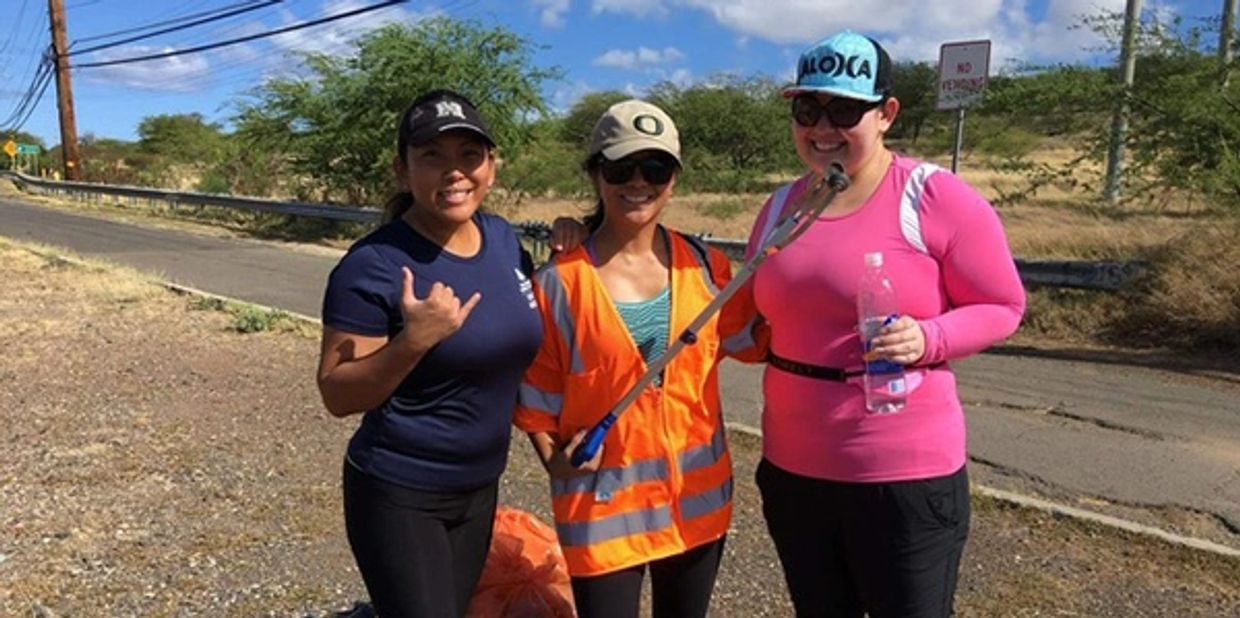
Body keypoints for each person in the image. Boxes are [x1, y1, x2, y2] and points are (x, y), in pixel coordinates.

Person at [745, 31, 1027, 618]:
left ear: (886, 113)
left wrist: (930, 338)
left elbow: (1003, 306)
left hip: (902, 478)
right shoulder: (778, 208)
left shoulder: (933, 196)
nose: (823, 127)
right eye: (807, 109)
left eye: (845, 111)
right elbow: (749, 313)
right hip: (793, 472)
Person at [514, 100, 764, 618]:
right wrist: (554, 461)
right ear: (594, 174)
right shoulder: (558, 284)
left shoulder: (708, 268)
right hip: (603, 514)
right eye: (621, 168)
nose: (638, 182)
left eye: (655, 168)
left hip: (696, 507)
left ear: (674, 179)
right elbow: (536, 400)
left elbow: (758, 341)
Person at [316, 89, 545, 618]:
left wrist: (577, 236)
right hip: (400, 492)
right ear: (403, 170)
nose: (454, 171)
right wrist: (414, 341)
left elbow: (519, 347)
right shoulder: (373, 264)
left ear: (492, 166)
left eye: (469, 154)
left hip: (481, 486)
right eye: (432, 156)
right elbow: (336, 394)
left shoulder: (503, 240)